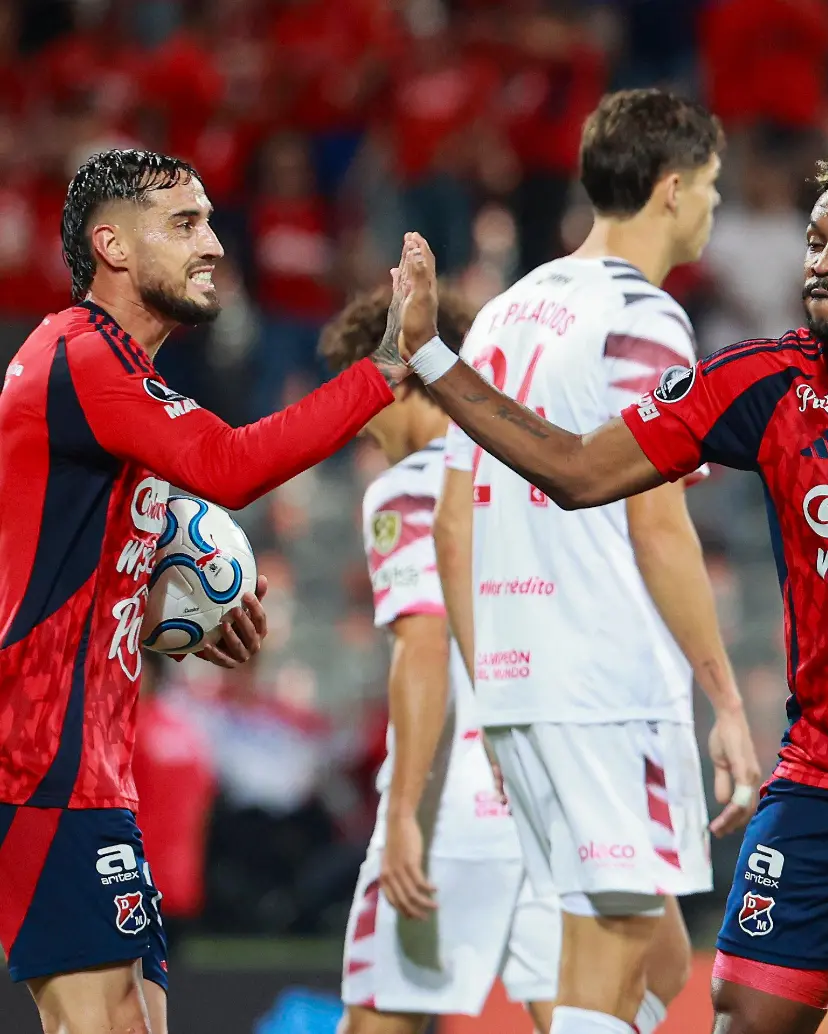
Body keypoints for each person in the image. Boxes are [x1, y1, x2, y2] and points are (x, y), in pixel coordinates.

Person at [394, 145, 828, 1033]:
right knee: (742, 1017)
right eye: (815, 241)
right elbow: (578, 471)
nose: (822, 260)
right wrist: (429, 356)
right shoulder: (766, 381)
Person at [0, 149, 404, 1034]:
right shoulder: (77, 356)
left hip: (94, 762)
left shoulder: (118, 377)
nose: (214, 244)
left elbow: (54, 562)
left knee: (137, 1023)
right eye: (185, 224)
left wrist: (163, 610)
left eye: (211, 222)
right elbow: (228, 465)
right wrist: (383, 373)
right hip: (40, 757)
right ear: (110, 244)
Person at [428, 89, 762, 1034]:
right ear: (668, 190)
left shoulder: (502, 312)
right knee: (610, 951)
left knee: (655, 954)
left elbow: (454, 526)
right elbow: (659, 527)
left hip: (520, 679)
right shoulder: (642, 318)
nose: (713, 207)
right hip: (605, 680)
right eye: (709, 187)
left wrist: (489, 686)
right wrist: (726, 699)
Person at [319, 287, 560, 1034]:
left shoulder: (409, 487)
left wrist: (402, 819)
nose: (357, 423)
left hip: (452, 803)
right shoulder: (535, 479)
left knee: (377, 1022)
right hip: (547, 796)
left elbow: (424, 645)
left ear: (394, 376)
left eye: (360, 393)